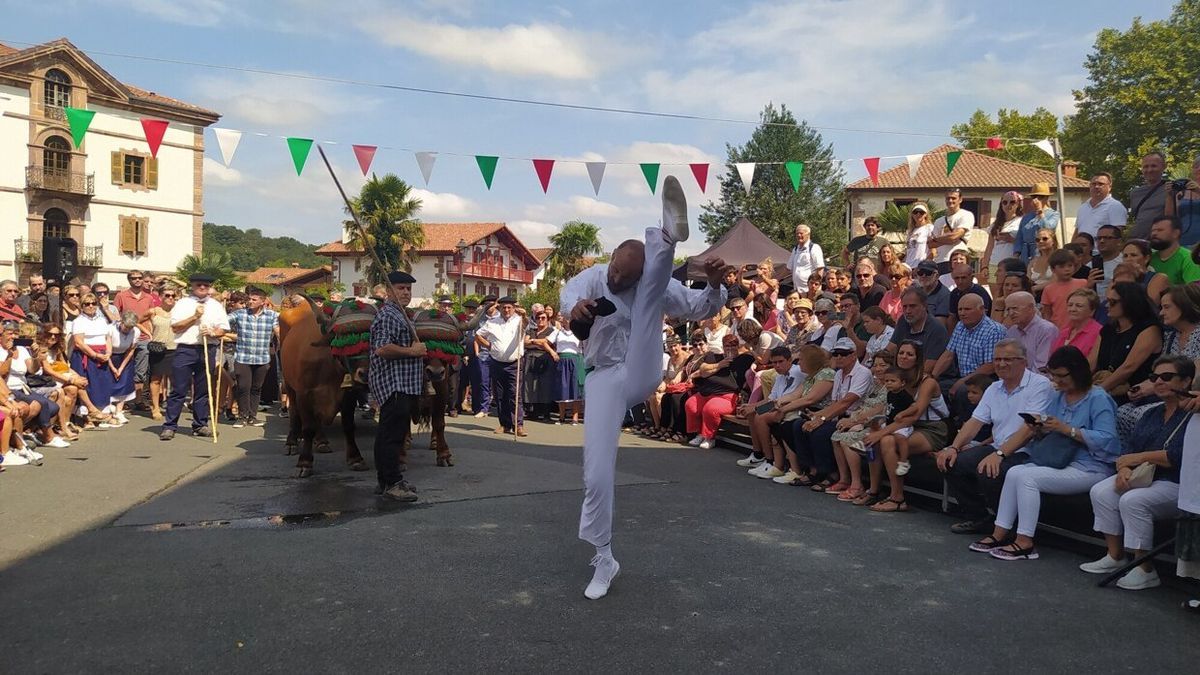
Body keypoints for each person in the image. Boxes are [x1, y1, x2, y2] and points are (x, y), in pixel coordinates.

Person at [560, 175, 726, 599]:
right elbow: (568, 296)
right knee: (597, 474)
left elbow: (700, 308)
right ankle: (604, 557)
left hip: (642, 368)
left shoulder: (652, 282)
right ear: (611, 257)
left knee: (652, 291)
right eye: (616, 270)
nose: (617, 279)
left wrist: (713, 284)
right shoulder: (593, 276)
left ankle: (667, 235)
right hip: (603, 377)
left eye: (626, 277)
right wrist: (575, 308)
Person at [968, 346, 1119, 561]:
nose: (1056, 381)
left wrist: (1067, 429)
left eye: (1061, 376)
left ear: (1077, 372)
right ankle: (999, 532)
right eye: (1053, 375)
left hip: (1091, 466)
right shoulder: (1059, 396)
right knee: (1014, 472)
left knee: (1027, 478)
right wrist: (1040, 428)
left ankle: (1025, 541)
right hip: (1059, 460)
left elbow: (1108, 440)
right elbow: (1050, 428)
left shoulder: (1098, 398)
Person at [1084, 355, 1195, 589]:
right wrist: (1124, 468)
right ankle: (1115, 556)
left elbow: (1179, 456)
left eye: (1167, 377)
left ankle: (1145, 568)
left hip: (1177, 482)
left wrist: (1139, 458)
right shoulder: (1151, 413)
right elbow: (1130, 448)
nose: (1159, 382)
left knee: (1133, 501)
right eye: (1155, 377)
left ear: (1186, 381)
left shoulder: (1193, 416)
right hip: (1146, 476)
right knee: (1101, 491)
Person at [935, 339, 1055, 534]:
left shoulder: (1040, 385)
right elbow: (975, 422)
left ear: (1023, 361)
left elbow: (1030, 428)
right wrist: (953, 448)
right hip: (998, 446)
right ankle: (979, 517)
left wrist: (1000, 454)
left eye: (1008, 359)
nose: (1001, 364)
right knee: (951, 462)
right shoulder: (994, 388)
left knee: (990, 471)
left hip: (1027, 451)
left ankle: (1008, 527)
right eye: (997, 359)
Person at [368, 271, 425, 503]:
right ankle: (392, 483)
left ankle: (386, 480)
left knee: (389, 434)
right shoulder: (389, 315)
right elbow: (382, 348)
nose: (406, 292)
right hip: (394, 384)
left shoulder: (400, 314)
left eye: (408, 289)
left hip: (403, 384)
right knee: (391, 436)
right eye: (400, 288)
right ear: (388, 291)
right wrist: (412, 351)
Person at [1116, 284, 1200, 439]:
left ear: (1184, 306)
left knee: (1139, 415)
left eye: (1167, 307)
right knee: (1122, 411)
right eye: (1161, 308)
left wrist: (1155, 387)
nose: (1161, 313)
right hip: (1165, 394)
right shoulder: (1171, 336)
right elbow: (1162, 371)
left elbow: (1195, 378)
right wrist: (1142, 387)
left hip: (1186, 397)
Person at [159, 274, 230, 441]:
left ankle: (200, 425)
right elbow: (175, 327)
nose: (203, 287)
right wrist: (195, 317)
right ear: (192, 286)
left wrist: (212, 332)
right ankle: (169, 426)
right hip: (186, 349)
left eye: (206, 285)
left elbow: (223, 329)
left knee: (203, 390)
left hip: (207, 349)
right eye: (199, 284)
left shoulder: (216, 305)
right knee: (179, 389)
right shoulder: (183, 303)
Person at [1091, 282, 1162, 405]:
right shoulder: (1108, 330)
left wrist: (1097, 391)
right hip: (1105, 389)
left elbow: (1129, 367)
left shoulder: (1149, 330)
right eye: (1107, 300)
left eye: (1113, 302)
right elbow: (1091, 362)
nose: (1107, 305)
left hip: (1134, 395)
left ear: (1129, 303)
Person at [734, 346, 804, 469]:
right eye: (774, 363)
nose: (777, 366)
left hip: (791, 409)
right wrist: (751, 406)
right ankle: (758, 455)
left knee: (759, 417)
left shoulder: (798, 372)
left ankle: (769, 461)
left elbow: (784, 401)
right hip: (778, 406)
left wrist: (756, 408)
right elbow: (770, 399)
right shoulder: (779, 376)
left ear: (789, 360)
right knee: (750, 412)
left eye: (780, 361)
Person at [1, 322, 69, 448]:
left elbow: (32, 370)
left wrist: (35, 356)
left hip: (23, 388)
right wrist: (9, 355)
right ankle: (48, 437)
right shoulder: (1, 351)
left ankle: (31, 431)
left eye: (16, 333)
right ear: (1, 336)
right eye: (9, 334)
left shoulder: (21, 349)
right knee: (41, 404)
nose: (13, 337)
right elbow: (3, 374)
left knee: (53, 407)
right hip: (9, 388)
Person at [685, 333, 753, 450]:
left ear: (738, 346)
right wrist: (720, 365)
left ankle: (709, 437)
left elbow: (759, 361)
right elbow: (703, 370)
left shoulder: (745, 359)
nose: (730, 348)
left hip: (727, 394)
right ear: (723, 347)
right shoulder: (714, 357)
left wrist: (751, 352)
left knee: (711, 408)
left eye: (733, 345)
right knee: (691, 404)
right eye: (727, 346)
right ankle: (699, 434)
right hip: (707, 391)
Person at [227, 286, 279, 428]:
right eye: (249, 299)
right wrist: (214, 328)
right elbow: (224, 321)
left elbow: (278, 330)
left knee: (256, 388)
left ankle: (252, 417)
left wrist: (284, 339)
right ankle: (242, 416)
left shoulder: (272, 315)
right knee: (243, 387)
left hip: (262, 358)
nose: (250, 301)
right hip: (243, 357)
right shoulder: (240, 314)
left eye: (254, 299)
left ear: (262, 301)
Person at [476, 296, 528, 436]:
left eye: (509, 307)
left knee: (515, 395)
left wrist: (524, 316)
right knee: (500, 395)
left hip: (514, 363)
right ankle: (504, 424)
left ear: (514, 308)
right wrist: (489, 346)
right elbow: (478, 335)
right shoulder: (492, 322)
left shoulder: (519, 320)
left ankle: (518, 425)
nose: (506, 310)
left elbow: (526, 325)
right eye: (504, 307)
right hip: (496, 362)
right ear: (499, 308)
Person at [113, 270, 160, 409]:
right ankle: (122, 400)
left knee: (141, 370)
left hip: (144, 338)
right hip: (126, 336)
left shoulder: (149, 297)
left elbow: (152, 316)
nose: (137, 280)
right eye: (134, 278)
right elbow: (116, 316)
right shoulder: (121, 296)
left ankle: (138, 400)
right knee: (124, 368)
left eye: (139, 278)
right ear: (129, 280)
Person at [71, 292, 117, 428]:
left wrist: (108, 352)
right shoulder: (78, 321)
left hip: (102, 355)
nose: (90, 306)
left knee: (103, 384)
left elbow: (107, 338)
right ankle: (87, 417)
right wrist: (95, 355)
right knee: (88, 385)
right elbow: (79, 342)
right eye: (87, 304)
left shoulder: (101, 320)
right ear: (82, 306)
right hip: (86, 356)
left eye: (93, 303)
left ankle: (103, 414)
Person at [885, 286, 949, 375]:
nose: (908, 311)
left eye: (912, 306)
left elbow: (928, 367)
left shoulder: (937, 329)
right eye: (904, 307)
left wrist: (901, 377)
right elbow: (891, 348)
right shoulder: (903, 320)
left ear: (924, 306)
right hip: (905, 373)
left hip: (932, 377)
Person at [144, 287, 178, 420]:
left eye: (173, 296)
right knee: (156, 379)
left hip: (174, 348)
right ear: (160, 297)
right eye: (167, 295)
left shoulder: (178, 312)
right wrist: (148, 333)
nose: (170, 298)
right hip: (158, 348)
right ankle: (156, 407)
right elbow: (138, 321)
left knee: (175, 379)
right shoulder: (154, 311)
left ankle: (172, 407)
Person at [981, 191, 1024, 293]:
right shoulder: (995, 224)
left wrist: (1011, 239)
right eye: (1005, 202)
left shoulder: (1022, 221)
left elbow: (1025, 244)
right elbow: (989, 247)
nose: (1008, 205)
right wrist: (984, 266)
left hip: (1012, 265)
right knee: (996, 296)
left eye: (1012, 202)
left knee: (1012, 295)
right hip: (994, 264)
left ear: (1018, 204)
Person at [1004, 291, 1058, 372]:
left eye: (1015, 308)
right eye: (1008, 309)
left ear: (1030, 308)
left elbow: (1042, 367)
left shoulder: (1047, 330)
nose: (1011, 313)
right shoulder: (1012, 331)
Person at [522, 309, 559, 422]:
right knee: (530, 384)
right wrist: (538, 342)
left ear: (548, 320)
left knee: (545, 385)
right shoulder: (531, 330)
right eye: (538, 318)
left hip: (545, 358)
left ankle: (546, 412)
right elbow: (525, 342)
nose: (540, 320)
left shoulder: (551, 331)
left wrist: (533, 341)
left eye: (543, 318)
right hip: (530, 358)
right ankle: (532, 412)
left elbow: (547, 342)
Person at [1051, 288, 1103, 364]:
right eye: (1070, 305)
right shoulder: (1063, 332)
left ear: (1092, 311)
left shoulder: (1099, 332)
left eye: (1079, 306)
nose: (1072, 309)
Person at [929, 189, 975, 274]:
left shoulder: (966, 215)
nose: (950, 201)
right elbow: (931, 244)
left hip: (958, 260)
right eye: (948, 198)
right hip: (940, 261)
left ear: (960, 199)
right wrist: (948, 239)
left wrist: (937, 239)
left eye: (953, 198)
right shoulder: (939, 221)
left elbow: (954, 237)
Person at [1039, 250, 1088, 329]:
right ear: (1053, 269)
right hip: (1058, 329)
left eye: (1070, 265)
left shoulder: (1083, 283)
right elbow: (1047, 314)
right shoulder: (1048, 289)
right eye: (1062, 266)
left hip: (1080, 328)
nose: (1067, 269)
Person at [1015, 183, 1062, 263]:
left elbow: (1049, 228)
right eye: (1034, 197)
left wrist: (1040, 212)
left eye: (1040, 197)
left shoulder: (1054, 214)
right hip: (1025, 255)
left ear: (1047, 198)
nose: (1036, 200)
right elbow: (1019, 237)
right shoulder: (1026, 217)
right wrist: (1016, 254)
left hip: (1043, 252)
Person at [1128, 151, 1170, 240]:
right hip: (1138, 240)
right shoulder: (1135, 193)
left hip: (1160, 241)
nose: (1149, 170)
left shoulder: (1172, 189)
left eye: (1154, 166)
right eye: (1145, 167)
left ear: (1163, 167)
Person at [551, 315, 584, 425]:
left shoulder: (579, 332)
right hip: (561, 360)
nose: (568, 320)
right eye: (566, 318)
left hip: (575, 359)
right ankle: (561, 416)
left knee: (575, 388)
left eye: (570, 318)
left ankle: (575, 417)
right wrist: (553, 352)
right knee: (562, 387)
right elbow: (545, 342)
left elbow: (586, 345)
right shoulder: (557, 332)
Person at [107, 312, 139, 426]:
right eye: (126, 327)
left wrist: (121, 368)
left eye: (131, 328)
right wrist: (113, 368)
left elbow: (131, 350)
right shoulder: (110, 329)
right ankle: (108, 409)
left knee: (124, 383)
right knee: (109, 383)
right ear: (121, 322)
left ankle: (119, 411)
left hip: (124, 358)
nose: (128, 330)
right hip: (110, 357)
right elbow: (107, 351)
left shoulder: (136, 332)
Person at [1148, 215, 1200, 285]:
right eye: (1153, 231)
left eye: (1160, 230)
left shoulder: (1189, 258)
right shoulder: (1149, 257)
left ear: (1175, 233)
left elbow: (1194, 289)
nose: (1154, 233)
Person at [1074, 172, 1128, 240]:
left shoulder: (1116, 207)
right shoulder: (1083, 207)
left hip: (1102, 247)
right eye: (1093, 184)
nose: (1096, 187)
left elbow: (1117, 233)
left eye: (1100, 184)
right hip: (1081, 247)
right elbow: (1077, 231)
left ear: (1109, 187)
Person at [1163, 154, 1200, 247]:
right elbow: (1169, 217)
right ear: (1192, 170)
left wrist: (1198, 191)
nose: (1199, 169)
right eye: (1196, 167)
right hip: (1183, 240)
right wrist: (1169, 195)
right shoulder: (1182, 193)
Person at [947, 262, 992, 329]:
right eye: (957, 278)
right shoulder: (954, 293)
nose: (960, 281)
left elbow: (983, 317)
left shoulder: (980, 292)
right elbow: (952, 317)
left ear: (972, 278)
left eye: (963, 278)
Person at [787, 223, 824, 292]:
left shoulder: (814, 248)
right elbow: (788, 268)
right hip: (797, 289)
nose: (799, 235)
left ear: (808, 234)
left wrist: (816, 286)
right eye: (797, 233)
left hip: (810, 290)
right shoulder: (795, 249)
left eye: (801, 233)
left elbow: (820, 268)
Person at [1027, 228, 1061, 294]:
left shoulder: (1060, 258)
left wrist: (1035, 288)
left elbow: (1056, 280)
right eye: (1037, 240)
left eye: (1045, 239)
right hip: (1035, 294)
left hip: (1054, 292)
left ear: (1053, 241)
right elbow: (1028, 281)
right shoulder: (1033, 262)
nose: (1041, 241)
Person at [904, 203, 934, 268]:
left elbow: (933, 251)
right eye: (915, 212)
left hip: (921, 267)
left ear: (925, 214)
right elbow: (909, 252)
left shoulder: (929, 228)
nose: (918, 214)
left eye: (921, 212)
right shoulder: (910, 231)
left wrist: (923, 266)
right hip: (908, 267)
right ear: (912, 215)